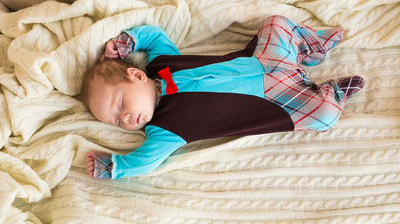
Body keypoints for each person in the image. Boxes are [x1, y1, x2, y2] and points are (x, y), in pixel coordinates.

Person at [81, 15, 365, 180]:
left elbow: (153, 37)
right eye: (118, 122)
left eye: (121, 105)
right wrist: (115, 167)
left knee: (276, 23)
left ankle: (311, 47)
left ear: (137, 75)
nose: (126, 118)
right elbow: (146, 160)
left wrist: (129, 41)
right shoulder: (165, 130)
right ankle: (336, 93)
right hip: (278, 101)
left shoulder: (162, 64)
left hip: (263, 60)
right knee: (323, 115)